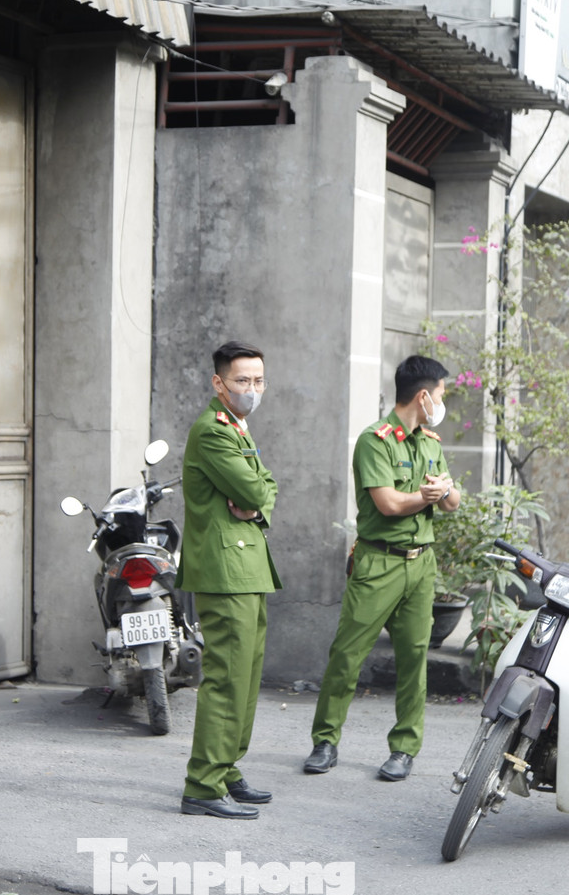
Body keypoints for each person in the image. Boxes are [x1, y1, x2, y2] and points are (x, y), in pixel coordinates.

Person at [303, 355, 461, 781]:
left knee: (414, 660)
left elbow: (452, 500)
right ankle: (325, 741)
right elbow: (387, 503)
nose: (443, 403)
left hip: (420, 566)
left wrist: (444, 492)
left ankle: (405, 748)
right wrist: (427, 498)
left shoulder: (430, 442)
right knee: (348, 655)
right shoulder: (375, 440)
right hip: (378, 563)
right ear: (424, 396)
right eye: (442, 394)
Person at [178, 341, 281, 820]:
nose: (252, 389)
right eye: (242, 381)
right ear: (219, 383)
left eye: (258, 380)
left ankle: (226, 768)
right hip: (225, 570)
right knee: (226, 678)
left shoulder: (238, 427)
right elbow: (257, 487)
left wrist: (258, 499)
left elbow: (267, 490)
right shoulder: (213, 431)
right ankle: (202, 784)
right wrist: (258, 497)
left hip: (247, 568)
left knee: (246, 676)